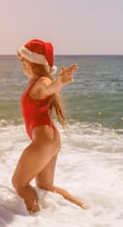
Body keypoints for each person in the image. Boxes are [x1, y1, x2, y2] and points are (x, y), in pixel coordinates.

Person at [11, 39, 85, 213]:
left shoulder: (42, 82)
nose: (22, 64)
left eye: (24, 61)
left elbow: (48, 89)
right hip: (51, 140)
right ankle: (84, 208)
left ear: (35, 62)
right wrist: (22, 55)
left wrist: (60, 83)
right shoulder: (36, 80)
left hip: (44, 141)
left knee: (19, 183)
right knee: (45, 188)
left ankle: (36, 221)